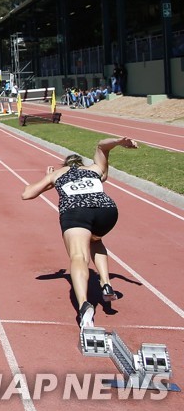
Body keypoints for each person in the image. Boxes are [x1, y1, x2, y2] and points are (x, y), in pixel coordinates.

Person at [21, 137, 137, 329]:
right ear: (81, 164)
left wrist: (48, 179)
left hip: (76, 211)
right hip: (107, 211)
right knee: (95, 238)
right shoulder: (94, 169)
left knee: (78, 256)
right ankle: (106, 283)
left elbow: (27, 193)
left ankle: (84, 305)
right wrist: (117, 141)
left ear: (65, 164)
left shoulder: (57, 174)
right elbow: (101, 145)